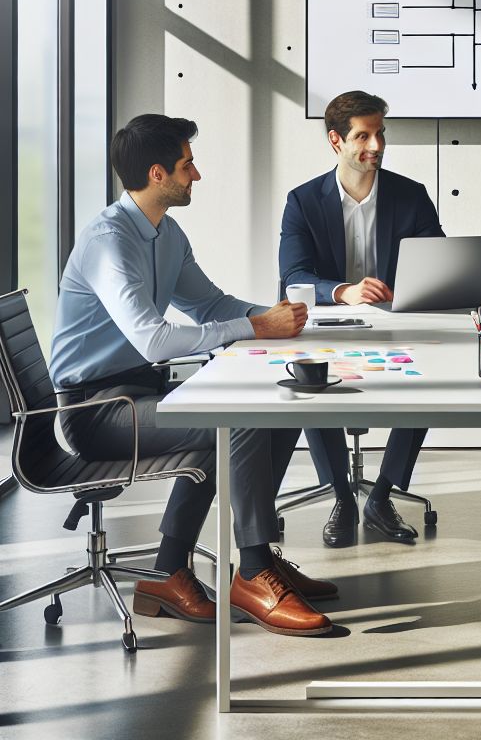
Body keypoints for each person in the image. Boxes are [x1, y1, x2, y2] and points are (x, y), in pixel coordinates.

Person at [50, 115, 335, 637]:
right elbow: (153, 339)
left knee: (281, 403)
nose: (196, 175)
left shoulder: (164, 231)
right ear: (158, 174)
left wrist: (277, 321)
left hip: (141, 389)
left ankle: (172, 571)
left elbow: (208, 304)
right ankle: (252, 572)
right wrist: (252, 327)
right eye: (188, 165)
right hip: (96, 410)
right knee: (241, 420)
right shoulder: (108, 242)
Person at [279, 90, 442, 547]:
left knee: (427, 384)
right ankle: (341, 496)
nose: (376, 146)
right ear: (336, 141)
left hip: (396, 322)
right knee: (309, 380)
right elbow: (292, 275)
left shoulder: (410, 196)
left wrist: (407, 293)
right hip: (328, 324)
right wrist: (344, 291)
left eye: (380, 134)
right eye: (363, 136)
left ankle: (382, 496)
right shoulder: (304, 201)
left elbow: (438, 262)